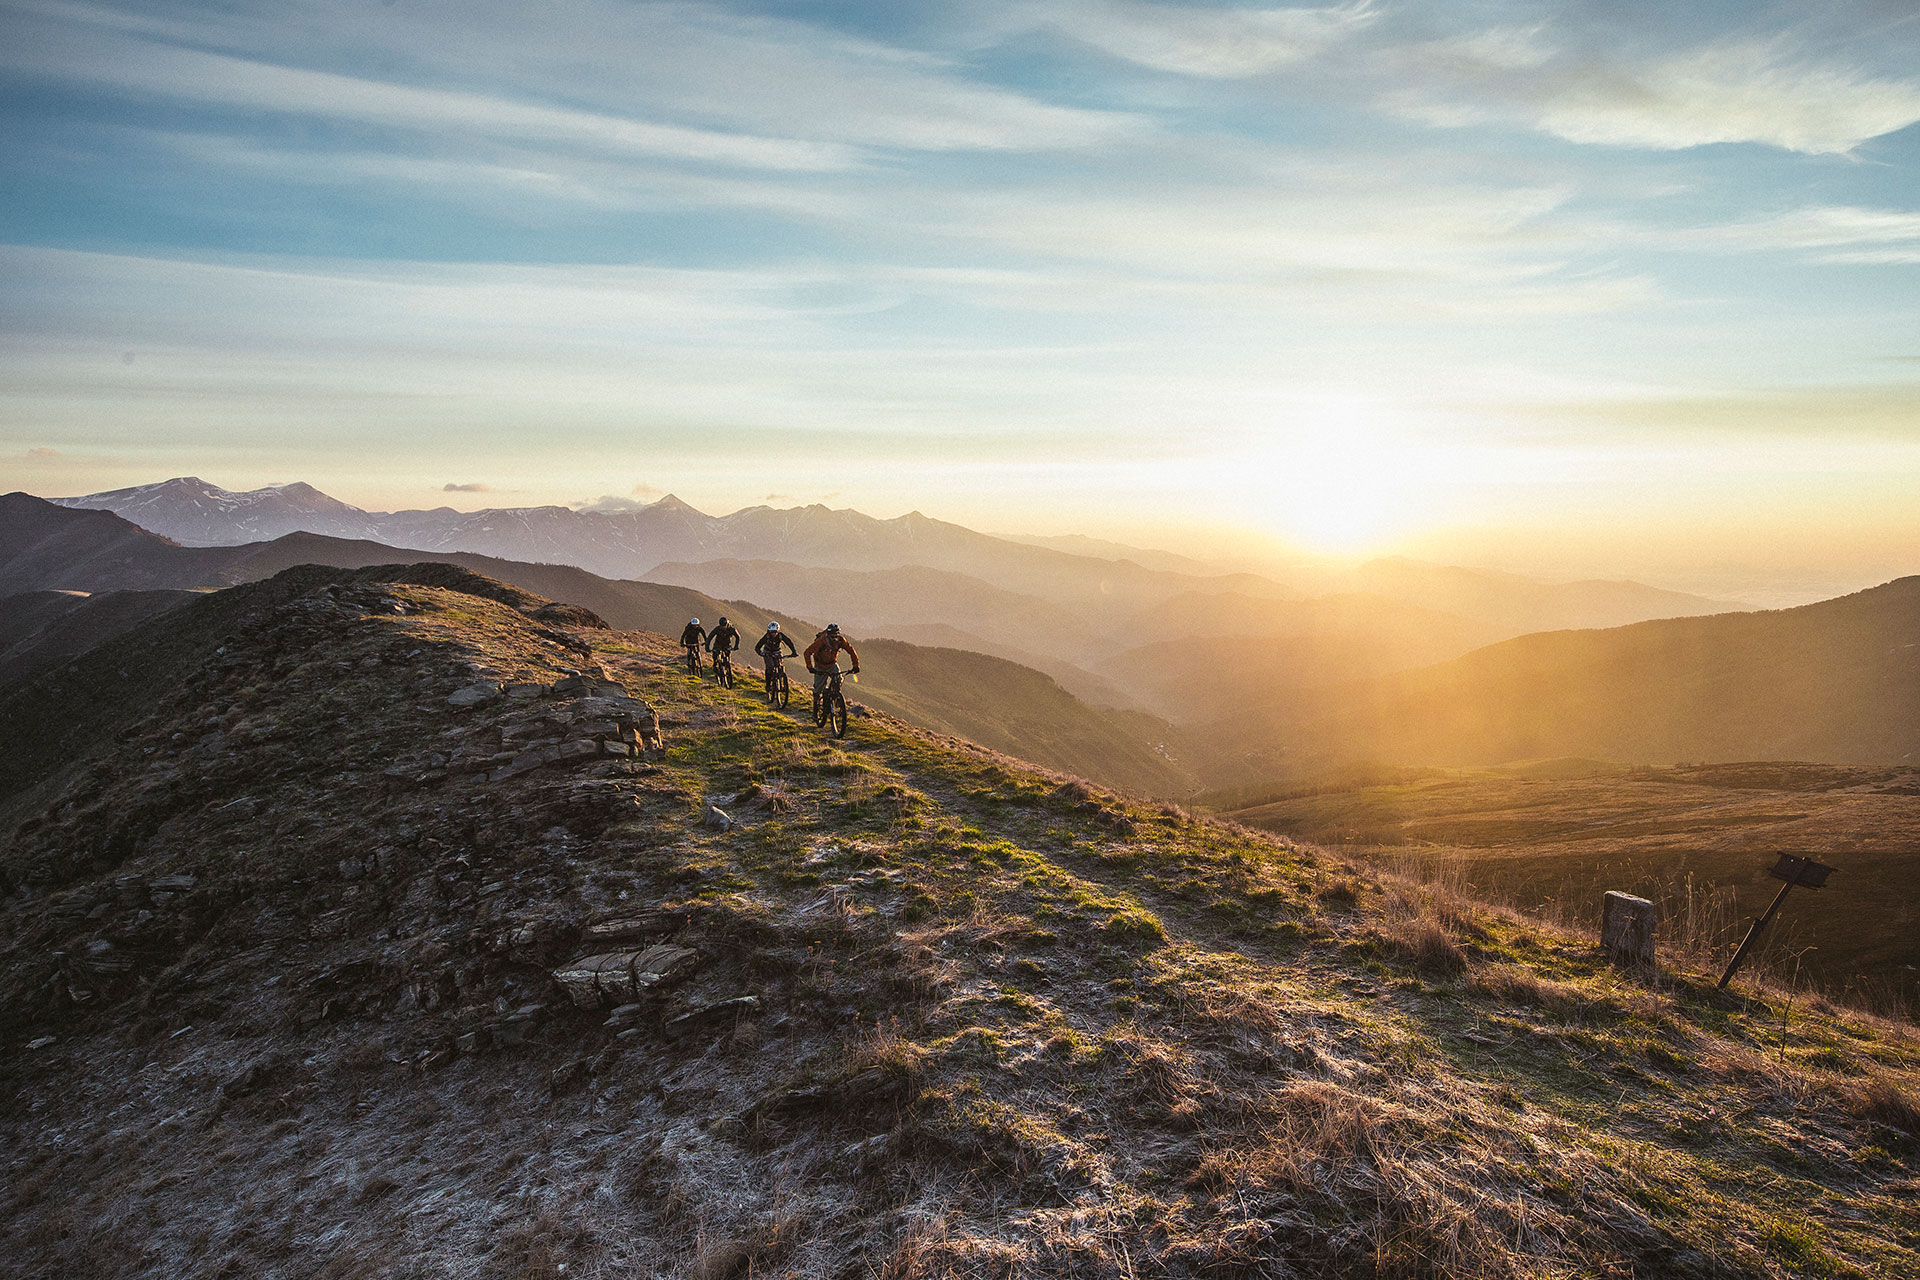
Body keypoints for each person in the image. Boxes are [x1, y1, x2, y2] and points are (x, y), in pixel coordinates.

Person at [803, 622, 860, 696]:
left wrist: (856, 666)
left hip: (832, 665)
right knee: (818, 690)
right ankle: (816, 704)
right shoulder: (821, 641)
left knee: (839, 680)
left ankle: (834, 698)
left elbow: (851, 651)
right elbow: (807, 652)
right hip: (820, 666)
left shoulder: (841, 640)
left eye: (836, 636)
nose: (834, 639)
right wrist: (810, 667)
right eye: (832, 637)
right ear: (828, 635)